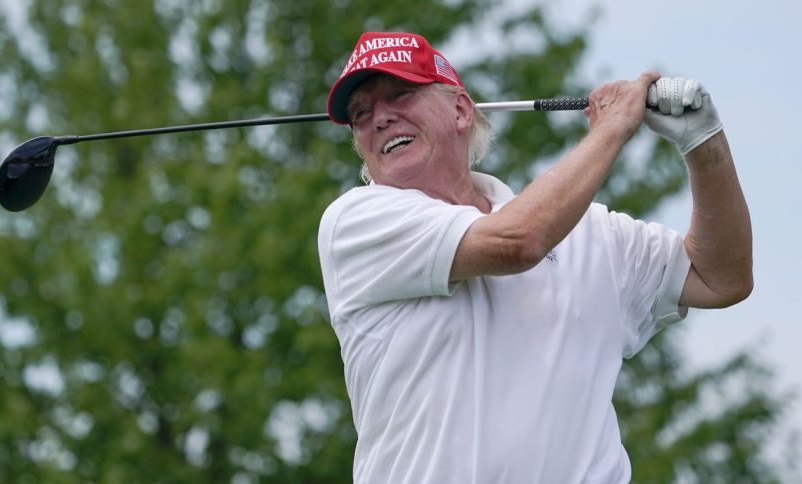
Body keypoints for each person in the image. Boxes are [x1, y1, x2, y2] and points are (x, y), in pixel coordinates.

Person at [317, 31, 752, 484]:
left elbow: (720, 278)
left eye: (400, 95)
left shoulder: (589, 230)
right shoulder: (356, 221)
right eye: (361, 114)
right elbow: (519, 241)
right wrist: (611, 130)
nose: (380, 119)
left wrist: (704, 145)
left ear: (462, 110)